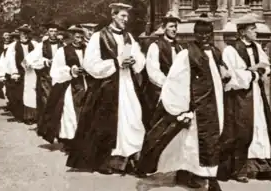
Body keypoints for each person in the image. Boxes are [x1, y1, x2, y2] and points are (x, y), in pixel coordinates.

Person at [137, 13, 231, 191]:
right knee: (192, 141)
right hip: (196, 106)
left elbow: (220, 73)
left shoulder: (215, 52)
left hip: (215, 103)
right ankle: (201, 176)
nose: (205, 38)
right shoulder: (187, 54)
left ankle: (201, 174)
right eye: (201, 34)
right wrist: (182, 109)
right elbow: (176, 81)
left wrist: (226, 74)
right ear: (195, 34)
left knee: (209, 138)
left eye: (208, 34)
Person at [66, 3, 146, 175]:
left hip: (126, 84)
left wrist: (134, 61)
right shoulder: (98, 36)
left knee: (132, 118)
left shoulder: (128, 36)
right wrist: (116, 63)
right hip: (106, 86)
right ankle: (104, 161)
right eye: (123, 16)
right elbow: (90, 64)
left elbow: (139, 56)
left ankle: (127, 159)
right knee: (106, 123)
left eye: (127, 16)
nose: (126, 19)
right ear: (113, 16)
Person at [219, 14, 271, 183]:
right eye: (252, 29)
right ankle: (239, 170)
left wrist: (256, 70)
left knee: (261, 128)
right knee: (242, 131)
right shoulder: (231, 50)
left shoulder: (257, 47)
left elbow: (266, 65)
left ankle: (264, 169)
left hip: (256, 93)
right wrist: (253, 72)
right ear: (242, 32)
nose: (256, 32)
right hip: (241, 96)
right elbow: (232, 76)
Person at [37, 25, 88, 152]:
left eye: (81, 35)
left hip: (87, 84)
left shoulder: (89, 49)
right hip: (70, 85)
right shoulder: (63, 51)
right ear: (71, 36)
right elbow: (55, 70)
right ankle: (70, 141)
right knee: (70, 113)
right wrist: (71, 70)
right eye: (76, 35)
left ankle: (84, 141)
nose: (79, 38)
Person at [142, 11, 183, 131]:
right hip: (159, 90)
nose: (174, 29)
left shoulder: (180, 47)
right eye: (171, 26)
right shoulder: (155, 46)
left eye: (175, 27)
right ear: (164, 28)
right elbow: (153, 71)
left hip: (177, 90)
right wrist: (167, 84)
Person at [26, 22, 64, 128]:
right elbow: (31, 59)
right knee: (45, 100)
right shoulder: (41, 45)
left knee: (59, 100)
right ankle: (45, 125)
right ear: (48, 32)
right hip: (45, 77)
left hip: (59, 77)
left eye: (55, 31)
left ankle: (57, 125)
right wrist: (45, 61)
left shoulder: (63, 45)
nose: (53, 33)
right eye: (51, 31)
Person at [7, 24, 38, 124]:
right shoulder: (13, 46)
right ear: (19, 34)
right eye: (23, 33)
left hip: (32, 72)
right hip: (20, 73)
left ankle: (31, 116)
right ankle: (21, 116)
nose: (25, 36)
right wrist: (14, 72)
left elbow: (38, 56)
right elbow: (10, 60)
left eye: (27, 33)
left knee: (32, 94)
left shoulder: (35, 44)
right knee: (20, 94)